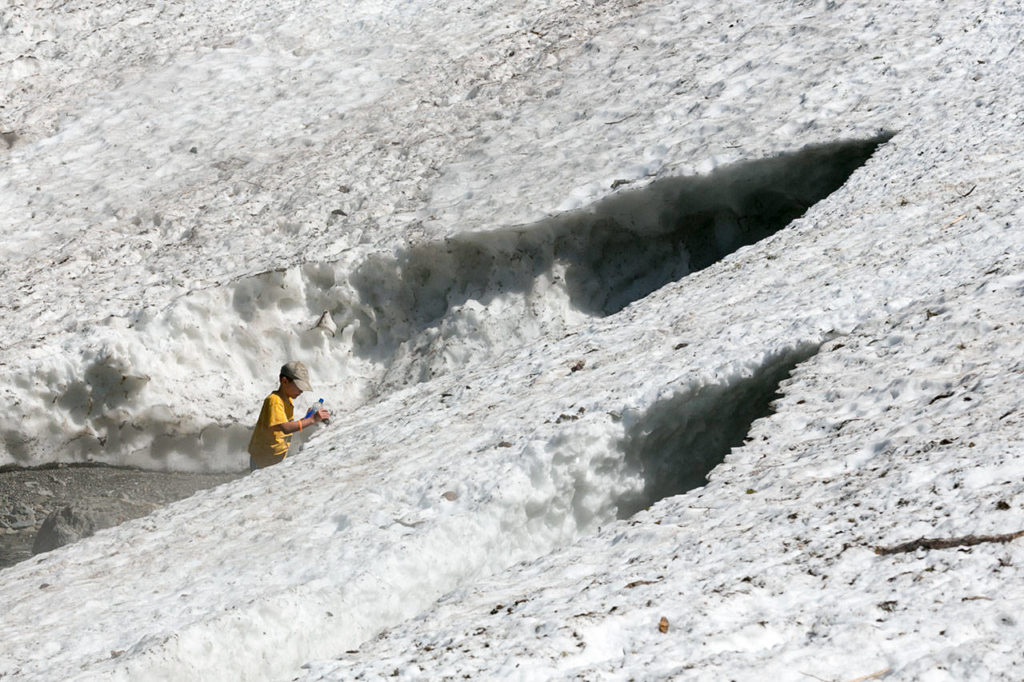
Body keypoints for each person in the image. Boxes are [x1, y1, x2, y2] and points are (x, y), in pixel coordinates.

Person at [248, 361, 330, 470]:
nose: (301, 391)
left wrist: (306, 418)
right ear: (284, 381)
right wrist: (312, 419)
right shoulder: (275, 401)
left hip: (275, 457)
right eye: (299, 387)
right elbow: (286, 428)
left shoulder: (287, 400)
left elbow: (286, 425)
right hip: (263, 460)